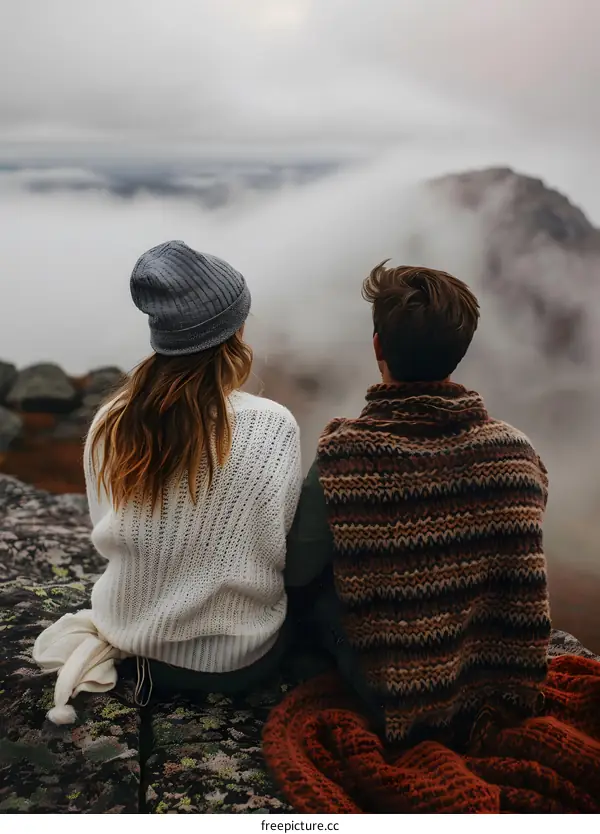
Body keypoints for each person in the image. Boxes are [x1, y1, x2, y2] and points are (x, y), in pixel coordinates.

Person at [34, 240, 302, 723]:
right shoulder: (273, 425)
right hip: (244, 659)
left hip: (141, 648)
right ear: (234, 331)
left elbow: (109, 534)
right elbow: (278, 540)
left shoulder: (111, 422)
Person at [286, 261, 552, 746]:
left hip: (386, 690)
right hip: (493, 677)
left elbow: (299, 571)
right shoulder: (517, 451)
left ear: (377, 347)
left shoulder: (345, 454)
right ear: (459, 351)